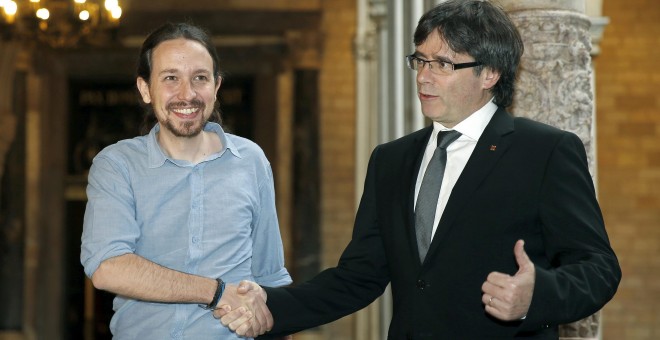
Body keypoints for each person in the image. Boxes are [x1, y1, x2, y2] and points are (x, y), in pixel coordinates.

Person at [217, 1, 621, 339]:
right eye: (421, 60)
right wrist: (271, 306)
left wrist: (538, 295)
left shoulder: (544, 151)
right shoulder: (391, 160)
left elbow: (599, 268)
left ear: (490, 74)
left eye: (443, 64)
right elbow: (359, 276)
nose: (424, 77)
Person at [80, 22, 291, 339]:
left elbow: (270, 275)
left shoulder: (251, 160)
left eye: (200, 78)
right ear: (145, 89)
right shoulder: (116, 164)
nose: (187, 94)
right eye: (170, 78)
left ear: (216, 86)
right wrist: (216, 292)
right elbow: (108, 266)